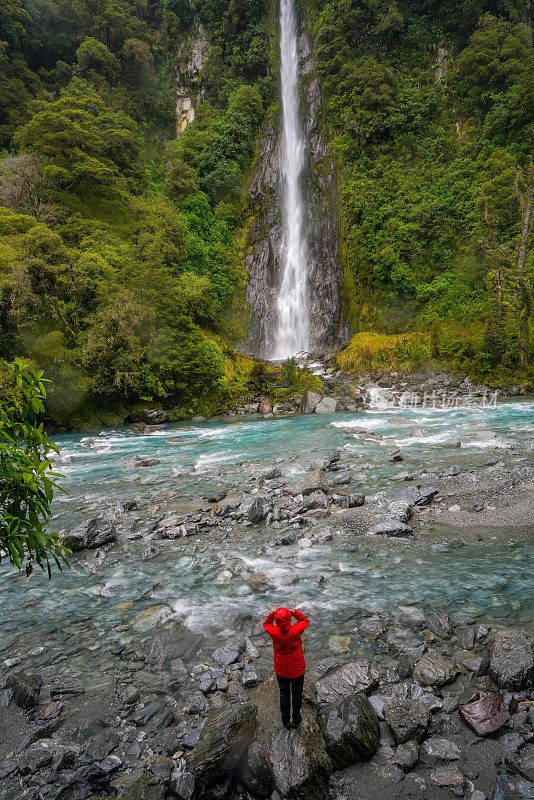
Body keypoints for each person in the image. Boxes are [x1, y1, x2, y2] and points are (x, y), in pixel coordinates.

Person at [263, 605, 309, 729]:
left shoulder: (274, 632)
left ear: (277, 622)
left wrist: (271, 615)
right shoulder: (296, 630)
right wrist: (295, 612)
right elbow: (305, 621)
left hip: (281, 669)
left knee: (284, 694)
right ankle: (296, 719)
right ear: (289, 619)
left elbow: (266, 625)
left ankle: (285, 721)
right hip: (297, 668)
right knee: (297, 693)